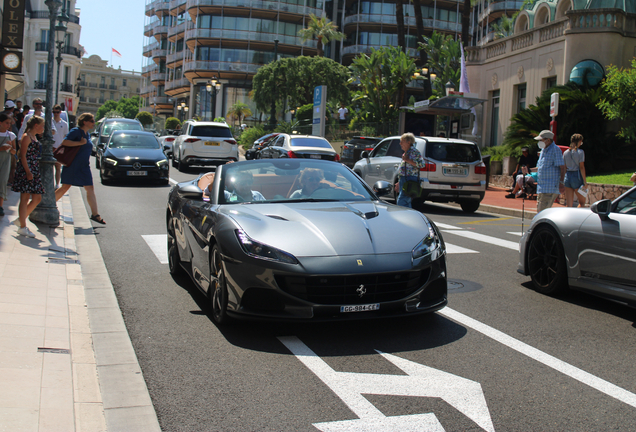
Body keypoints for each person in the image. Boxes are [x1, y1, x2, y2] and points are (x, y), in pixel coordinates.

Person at [54, 113, 106, 224]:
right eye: (92, 121)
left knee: (90, 188)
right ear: (84, 122)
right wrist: (79, 143)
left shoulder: (87, 134)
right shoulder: (76, 131)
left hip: (84, 166)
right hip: (73, 165)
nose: (94, 123)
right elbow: (65, 142)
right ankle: (50, 204)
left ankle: (95, 214)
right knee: (65, 187)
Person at [11, 116, 45, 237]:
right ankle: (22, 226)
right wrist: (28, 171)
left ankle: (21, 219)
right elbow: (23, 155)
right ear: (36, 125)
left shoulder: (34, 137)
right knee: (24, 198)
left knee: (37, 198)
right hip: (27, 170)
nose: (43, 128)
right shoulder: (26, 137)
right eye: (42, 125)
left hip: (34, 169)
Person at [533, 130, 565, 213]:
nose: (539, 142)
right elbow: (540, 168)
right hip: (542, 187)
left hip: (549, 187)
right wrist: (528, 170)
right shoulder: (543, 150)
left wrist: (561, 182)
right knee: (540, 210)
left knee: (542, 212)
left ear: (548, 140)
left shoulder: (555, 150)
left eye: (541, 140)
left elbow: (562, 167)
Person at [395, 132, 423, 208]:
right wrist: (399, 182)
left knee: (402, 200)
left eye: (402, 142)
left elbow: (421, 164)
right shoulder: (406, 152)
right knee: (406, 200)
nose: (400, 144)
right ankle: (408, 216)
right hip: (404, 178)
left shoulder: (414, 152)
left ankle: (401, 215)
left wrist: (408, 160)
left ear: (408, 142)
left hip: (410, 179)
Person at [563, 133, 587, 207]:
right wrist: (585, 182)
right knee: (582, 203)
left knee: (569, 204)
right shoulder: (580, 152)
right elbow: (581, 167)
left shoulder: (565, 153)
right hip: (577, 176)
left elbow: (564, 167)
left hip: (567, 177)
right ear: (579, 141)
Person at [0, 113, 17, 216]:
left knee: (2, 182)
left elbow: (15, 152)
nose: (8, 125)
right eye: (6, 123)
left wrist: (11, 148)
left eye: (9, 123)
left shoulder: (11, 135)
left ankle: (0, 206)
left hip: (6, 161)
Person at [52, 104, 69, 189]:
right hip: (51, 146)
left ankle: (57, 184)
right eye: (54, 112)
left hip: (59, 147)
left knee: (58, 166)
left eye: (57, 112)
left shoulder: (64, 124)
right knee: (49, 166)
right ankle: (50, 183)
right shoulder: (50, 122)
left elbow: (66, 136)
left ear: (60, 112)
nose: (56, 114)